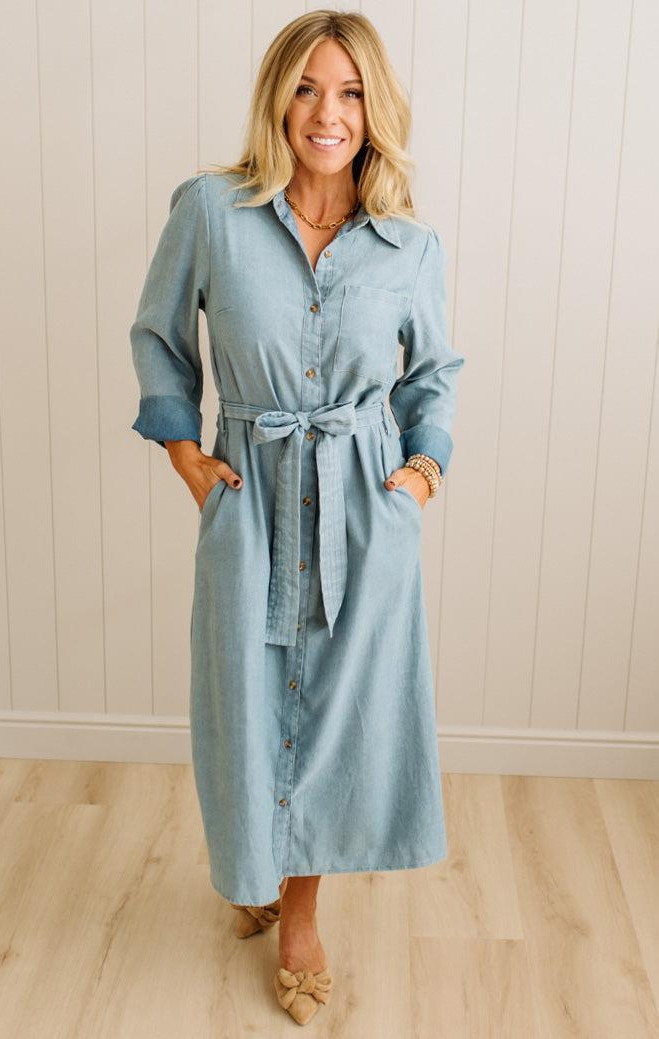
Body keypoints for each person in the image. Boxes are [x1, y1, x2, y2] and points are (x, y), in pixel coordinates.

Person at [129, 9, 465, 1026]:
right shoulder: (210, 211)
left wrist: (419, 477)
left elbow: (435, 374)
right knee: (247, 695)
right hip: (251, 490)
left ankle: (303, 911)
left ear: (376, 109)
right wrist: (190, 460)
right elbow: (158, 334)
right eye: (310, 88)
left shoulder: (408, 243)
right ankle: (256, 867)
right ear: (279, 95)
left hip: (366, 502)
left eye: (352, 91)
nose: (329, 112)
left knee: (339, 711)